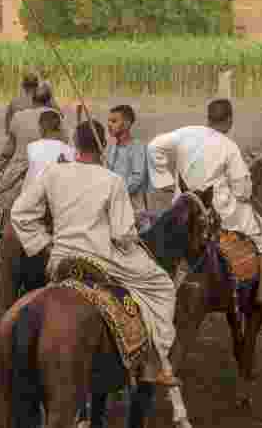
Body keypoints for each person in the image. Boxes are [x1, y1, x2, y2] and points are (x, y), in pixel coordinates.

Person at [10, 119, 182, 387]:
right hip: (101, 261)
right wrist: (133, 229)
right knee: (162, 286)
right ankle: (155, 359)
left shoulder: (53, 173)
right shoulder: (113, 180)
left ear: (74, 145)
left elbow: (20, 214)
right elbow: (123, 235)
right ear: (102, 147)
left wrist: (44, 244)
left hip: (61, 260)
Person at [147, 99, 262, 308]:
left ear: (208, 118)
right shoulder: (229, 146)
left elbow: (153, 146)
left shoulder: (185, 133)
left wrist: (165, 181)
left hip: (184, 204)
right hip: (216, 209)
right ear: (230, 121)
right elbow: (242, 191)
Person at [0, 83, 68, 213]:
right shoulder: (55, 116)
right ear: (50, 100)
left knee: (4, 207)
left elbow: (8, 151)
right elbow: (64, 145)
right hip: (47, 171)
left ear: (32, 99)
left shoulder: (18, 116)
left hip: (18, 173)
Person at [106, 105, 149, 213]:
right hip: (114, 207)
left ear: (127, 124)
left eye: (114, 121)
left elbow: (137, 178)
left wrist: (115, 191)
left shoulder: (137, 147)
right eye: (109, 121)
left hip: (133, 210)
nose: (109, 125)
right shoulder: (111, 148)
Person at [24, 109, 76, 188]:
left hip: (34, 192)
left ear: (41, 128)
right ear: (59, 127)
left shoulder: (31, 147)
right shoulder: (69, 150)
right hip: (56, 192)